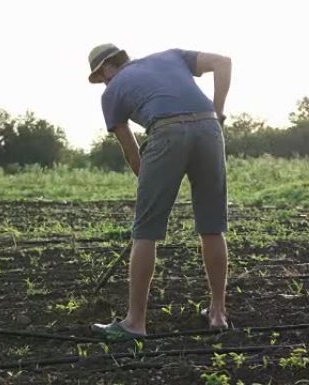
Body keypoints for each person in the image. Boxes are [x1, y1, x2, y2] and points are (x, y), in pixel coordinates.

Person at [87, 43, 232, 339]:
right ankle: (218, 313)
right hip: (209, 129)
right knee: (212, 226)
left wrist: (153, 188)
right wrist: (217, 113)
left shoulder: (111, 92)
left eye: (101, 77)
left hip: (165, 133)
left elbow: (132, 152)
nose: (103, 82)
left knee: (146, 231)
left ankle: (134, 323)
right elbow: (223, 62)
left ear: (105, 69)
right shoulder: (171, 56)